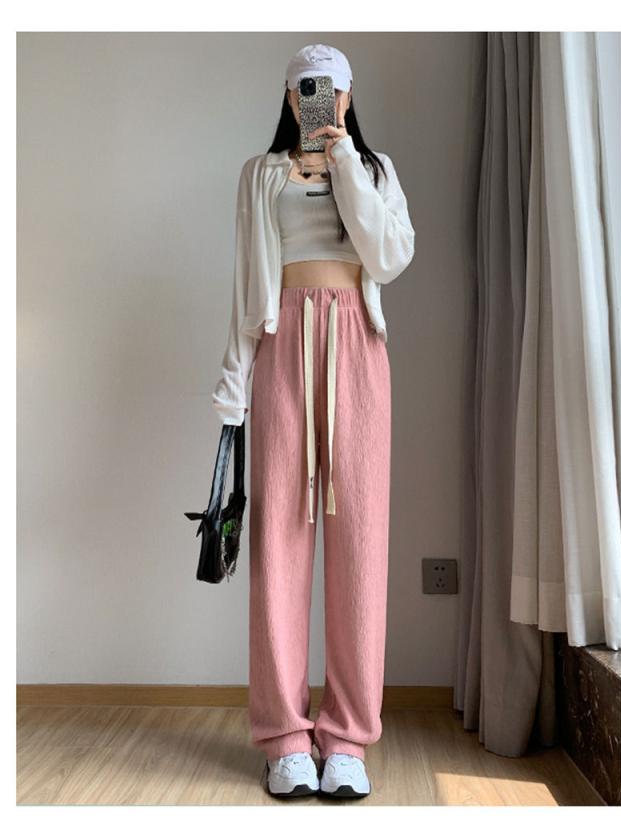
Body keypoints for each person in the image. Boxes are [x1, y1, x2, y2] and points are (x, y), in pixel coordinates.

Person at [211, 43, 415, 799]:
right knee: (278, 544)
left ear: (348, 96)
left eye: (328, 89)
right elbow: (246, 285)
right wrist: (232, 385)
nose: (315, 99)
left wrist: (345, 162)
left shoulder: (376, 169)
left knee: (361, 543)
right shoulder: (260, 174)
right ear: (290, 99)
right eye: (304, 90)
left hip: (357, 349)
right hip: (282, 348)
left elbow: (388, 257)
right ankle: (285, 737)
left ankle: (349, 738)